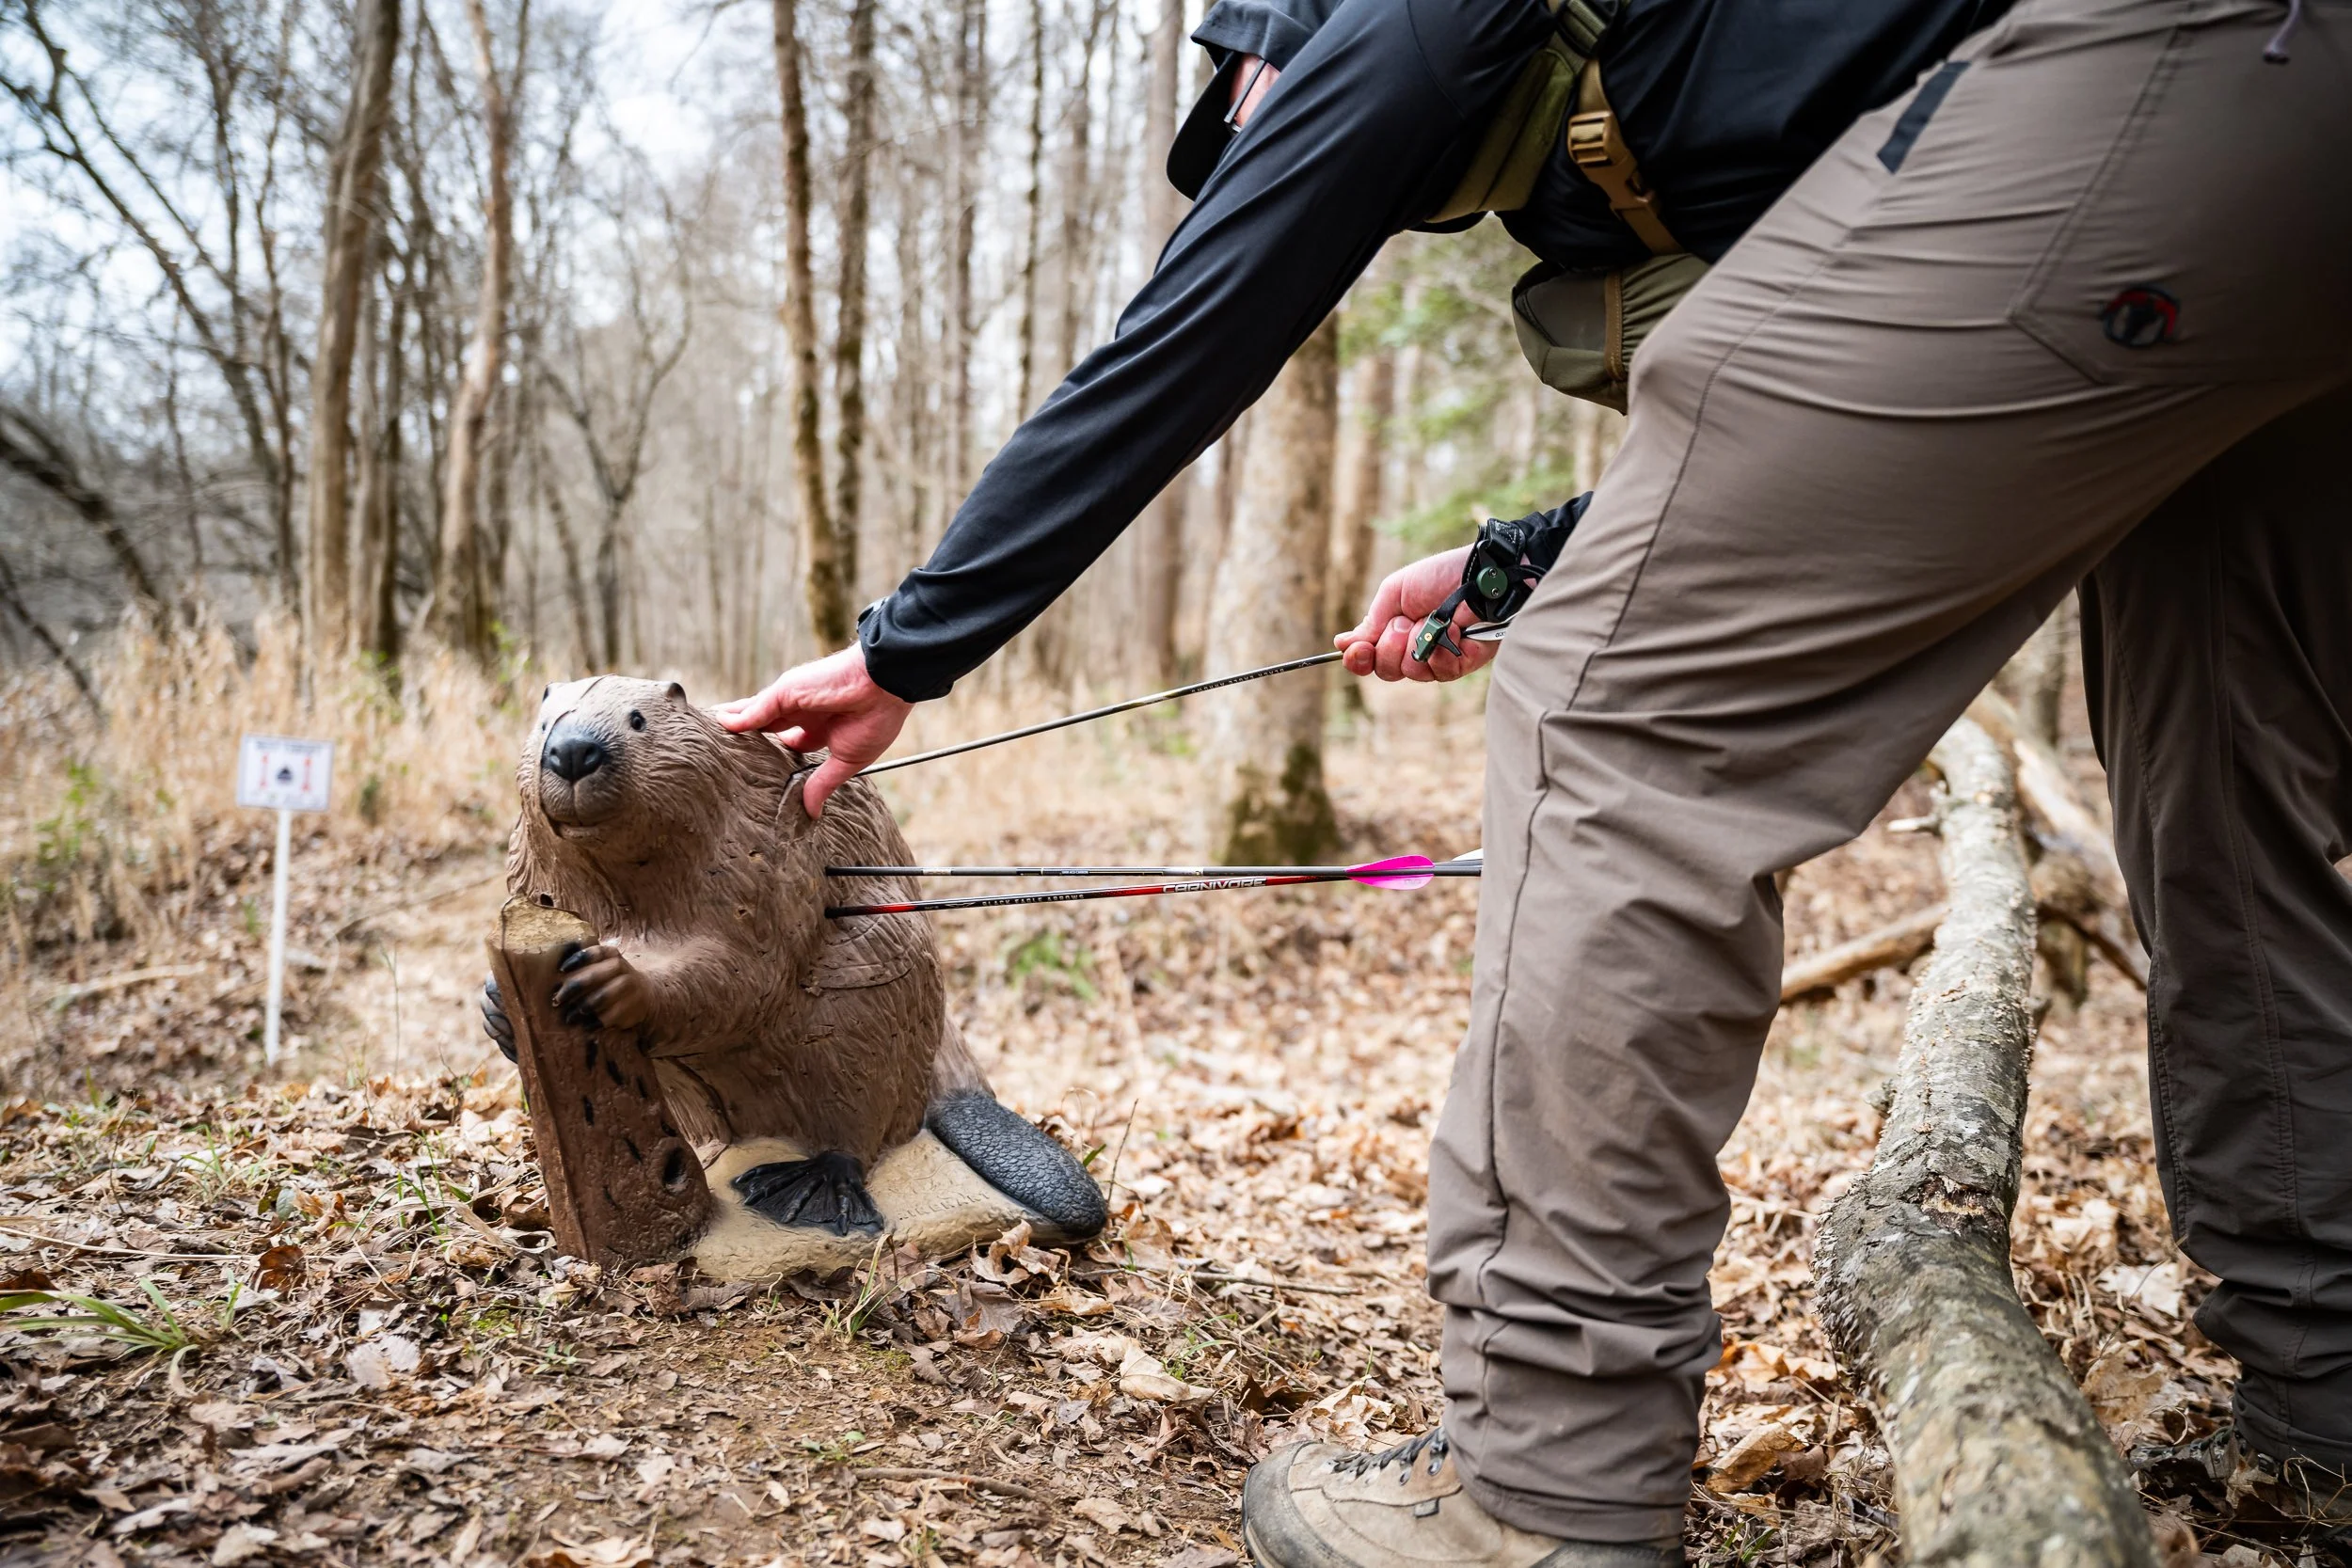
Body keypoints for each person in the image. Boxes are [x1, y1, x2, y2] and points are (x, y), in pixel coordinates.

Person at [716, 0, 2352, 1555]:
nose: (1257, 135)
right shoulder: (1709, 68)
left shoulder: (1395, 26)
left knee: (1611, 717)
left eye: (1247, 101)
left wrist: (907, 649)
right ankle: (2325, 1395)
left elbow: (1194, 331)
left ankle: (1545, 1476)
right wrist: (1529, 559)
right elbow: (1864, 383)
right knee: (2225, 764)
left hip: (2154, 72)